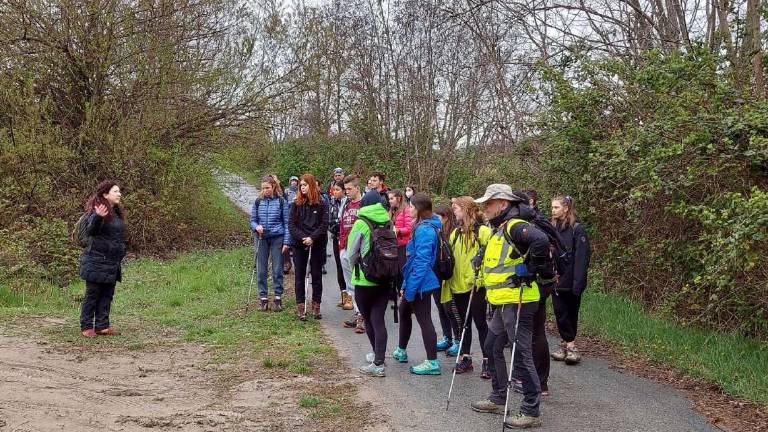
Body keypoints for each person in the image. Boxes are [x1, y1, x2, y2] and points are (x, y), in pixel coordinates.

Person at [469, 184, 555, 429]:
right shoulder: (500, 228)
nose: (484, 208)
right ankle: (498, 397)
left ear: (503, 204)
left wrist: (531, 269)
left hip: (519, 300)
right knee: (492, 345)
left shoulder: (516, 226)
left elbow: (540, 241)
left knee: (521, 352)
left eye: (489, 203)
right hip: (502, 301)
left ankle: (531, 410)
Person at [391, 193, 442, 376]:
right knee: (404, 311)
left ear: (419, 209)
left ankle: (432, 362)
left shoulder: (425, 230)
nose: (409, 209)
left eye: (411, 206)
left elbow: (421, 263)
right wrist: (406, 285)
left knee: (424, 319)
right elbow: (412, 262)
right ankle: (401, 350)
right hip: (414, 280)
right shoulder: (421, 226)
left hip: (422, 283)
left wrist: (411, 289)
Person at [443, 196, 492, 377]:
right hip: (458, 285)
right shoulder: (456, 233)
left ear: (466, 209)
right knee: (463, 323)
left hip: (477, 285)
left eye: (456, 208)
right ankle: (465, 357)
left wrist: (480, 280)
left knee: (480, 323)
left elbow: (489, 260)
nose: (453, 211)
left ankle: (488, 360)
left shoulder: (484, 232)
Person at [347, 190, 393, 377]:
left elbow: (351, 253)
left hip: (365, 279)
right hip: (385, 277)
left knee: (368, 318)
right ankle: (378, 359)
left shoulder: (361, 223)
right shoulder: (388, 221)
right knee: (379, 319)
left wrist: (355, 269)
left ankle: (377, 360)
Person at [78, 180, 127, 338]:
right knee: (92, 295)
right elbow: (92, 231)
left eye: (119, 191)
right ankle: (86, 327)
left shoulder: (116, 212)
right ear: (105, 194)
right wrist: (98, 217)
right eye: (115, 191)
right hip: (96, 261)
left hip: (112, 262)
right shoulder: (98, 211)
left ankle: (102, 326)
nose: (119, 194)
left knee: (107, 294)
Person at [550, 195, 591, 365]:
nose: (553, 211)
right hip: (556, 278)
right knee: (560, 312)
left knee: (570, 312)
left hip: (571, 278)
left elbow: (582, 257)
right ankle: (566, 343)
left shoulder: (576, 229)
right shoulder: (553, 227)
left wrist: (578, 282)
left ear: (566, 208)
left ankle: (571, 345)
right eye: (552, 207)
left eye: (556, 207)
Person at [288, 174, 329, 321]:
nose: (302, 187)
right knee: (299, 275)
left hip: (317, 243)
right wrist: (303, 238)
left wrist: (313, 237)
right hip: (300, 243)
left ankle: (316, 305)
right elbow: (291, 224)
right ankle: (301, 306)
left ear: (311, 185)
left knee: (316, 275)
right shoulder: (296, 204)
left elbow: (324, 224)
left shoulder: (322, 204)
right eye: (301, 185)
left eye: (305, 185)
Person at [250, 175, 291, 312]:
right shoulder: (258, 201)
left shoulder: (281, 202)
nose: (265, 190)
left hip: (277, 237)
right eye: (263, 188)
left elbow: (287, 223)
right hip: (261, 238)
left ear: (273, 187)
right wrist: (256, 227)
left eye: (267, 187)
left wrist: (287, 241)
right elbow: (253, 220)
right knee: (261, 269)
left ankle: (278, 298)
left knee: (277, 269)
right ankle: (263, 298)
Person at [339, 175, 365, 333]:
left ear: (357, 188)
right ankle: (357, 312)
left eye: (349, 189)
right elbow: (342, 225)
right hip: (345, 249)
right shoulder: (347, 204)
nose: (347, 192)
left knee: (359, 283)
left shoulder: (364, 204)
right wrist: (341, 246)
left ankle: (363, 315)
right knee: (350, 284)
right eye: (345, 189)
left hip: (359, 251)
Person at [432, 205, 460, 355]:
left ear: (446, 217)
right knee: (440, 307)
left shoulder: (453, 233)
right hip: (436, 275)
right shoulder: (436, 232)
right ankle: (447, 337)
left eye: (437, 217)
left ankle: (458, 339)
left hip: (448, 275)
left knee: (450, 309)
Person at [329, 180, 352, 310]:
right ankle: (343, 292)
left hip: (348, 238)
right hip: (336, 236)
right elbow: (329, 219)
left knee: (349, 266)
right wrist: (333, 227)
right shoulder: (332, 202)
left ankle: (351, 295)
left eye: (337, 190)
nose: (335, 192)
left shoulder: (349, 202)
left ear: (344, 191)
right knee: (339, 265)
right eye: (334, 190)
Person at [388, 189, 413, 300]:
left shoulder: (406, 210)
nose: (390, 201)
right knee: (396, 273)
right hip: (395, 245)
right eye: (389, 199)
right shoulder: (392, 210)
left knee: (403, 272)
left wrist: (398, 231)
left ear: (399, 198)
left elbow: (409, 228)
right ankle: (400, 296)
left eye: (392, 198)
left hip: (403, 245)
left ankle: (407, 299)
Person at [282, 176, 300, 274]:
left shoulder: (300, 190)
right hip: (288, 216)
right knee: (286, 239)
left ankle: (298, 264)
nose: (294, 182)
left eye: (295, 181)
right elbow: (284, 202)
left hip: (298, 218)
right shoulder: (286, 191)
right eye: (292, 181)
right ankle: (287, 263)